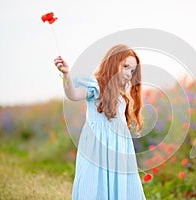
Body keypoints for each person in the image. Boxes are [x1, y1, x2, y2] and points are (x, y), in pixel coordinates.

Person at [54, 44, 146, 200]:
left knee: (121, 185)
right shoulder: (96, 86)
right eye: (125, 66)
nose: (129, 73)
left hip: (119, 148)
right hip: (98, 147)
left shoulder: (121, 96)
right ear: (112, 62)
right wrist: (67, 75)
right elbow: (74, 94)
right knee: (96, 184)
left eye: (132, 70)